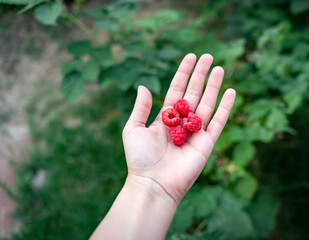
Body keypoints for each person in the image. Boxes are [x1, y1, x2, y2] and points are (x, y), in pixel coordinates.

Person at [90, 53, 236, 240]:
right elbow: (179, 124)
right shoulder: (177, 123)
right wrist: (147, 181)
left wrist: (145, 183)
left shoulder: (182, 121)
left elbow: (184, 122)